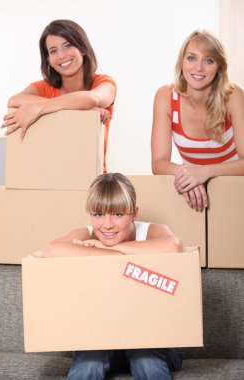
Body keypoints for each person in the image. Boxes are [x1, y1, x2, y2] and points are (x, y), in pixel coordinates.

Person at [43, 172, 183, 380]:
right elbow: (51, 251)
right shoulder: (87, 233)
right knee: (89, 363)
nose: (107, 225)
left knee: (146, 358)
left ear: (134, 213)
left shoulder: (151, 231)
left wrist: (110, 247)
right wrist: (111, 252)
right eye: (99, 215)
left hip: (151, 342)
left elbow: (172, 247)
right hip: (102, 340)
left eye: (118, 214)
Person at [1, 19, 116, 172]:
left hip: (93, 182)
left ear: (82, 48)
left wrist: (38, 107)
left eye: (67, 45)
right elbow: (14, 101)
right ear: (48, 59)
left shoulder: (104, 83)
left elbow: (92, 99)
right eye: (53, 51)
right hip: (49, 176)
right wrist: (83, 110)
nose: (61, 55)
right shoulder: (43, 88)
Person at [151, 29, 244, 211]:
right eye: (191, 58)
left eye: (208, 60)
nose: (199, 68)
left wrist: (205, 172)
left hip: (236, 189)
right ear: (182, 61)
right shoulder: (166, 97)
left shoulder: (233, 95)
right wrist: (186, 175)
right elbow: (158, 163)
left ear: (219, 67)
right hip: (196, 191)